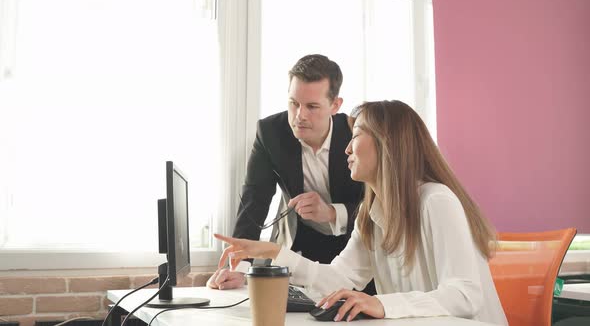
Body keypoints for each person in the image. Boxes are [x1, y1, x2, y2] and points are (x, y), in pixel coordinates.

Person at [214, 100, 508, 325]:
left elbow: (465, 295)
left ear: (387, 144)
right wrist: (274, 253)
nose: (346, 149)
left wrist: (382, 305)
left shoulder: (436, 201)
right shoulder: (372, 213)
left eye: (355, 136)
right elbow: (340, 277)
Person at [207, 54, 366, 291]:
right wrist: (239, 268)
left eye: (312, 106)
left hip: (356, 243)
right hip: (303, 241)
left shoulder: (356, 133)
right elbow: (255, 199)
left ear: (335, 105)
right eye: (294, 103)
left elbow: (378, 204)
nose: (300, 115)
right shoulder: (271, 132)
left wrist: (333, 213)